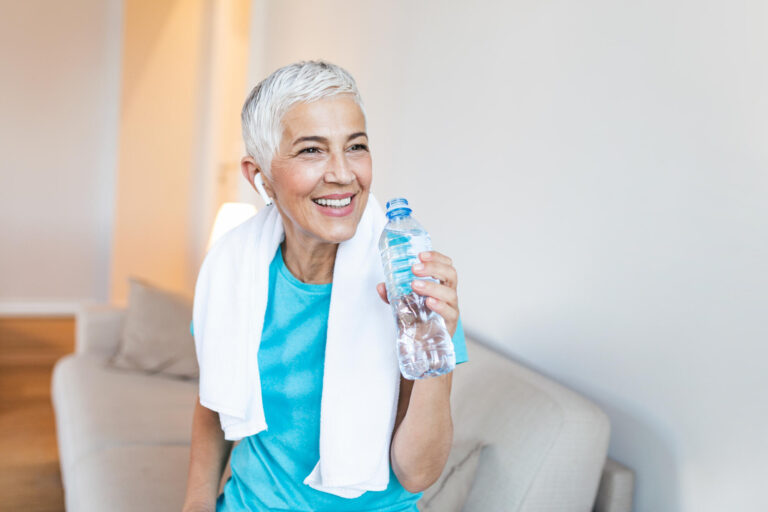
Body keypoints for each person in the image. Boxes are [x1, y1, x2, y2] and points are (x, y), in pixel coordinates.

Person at [182, 60, 469, 512]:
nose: (342, 174)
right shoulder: (229, 273)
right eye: (312, 151)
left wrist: (436, 345)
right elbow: (214, 401)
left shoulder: (412, 282)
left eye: (355, 146)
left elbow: (418, 472)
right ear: (260, 177)